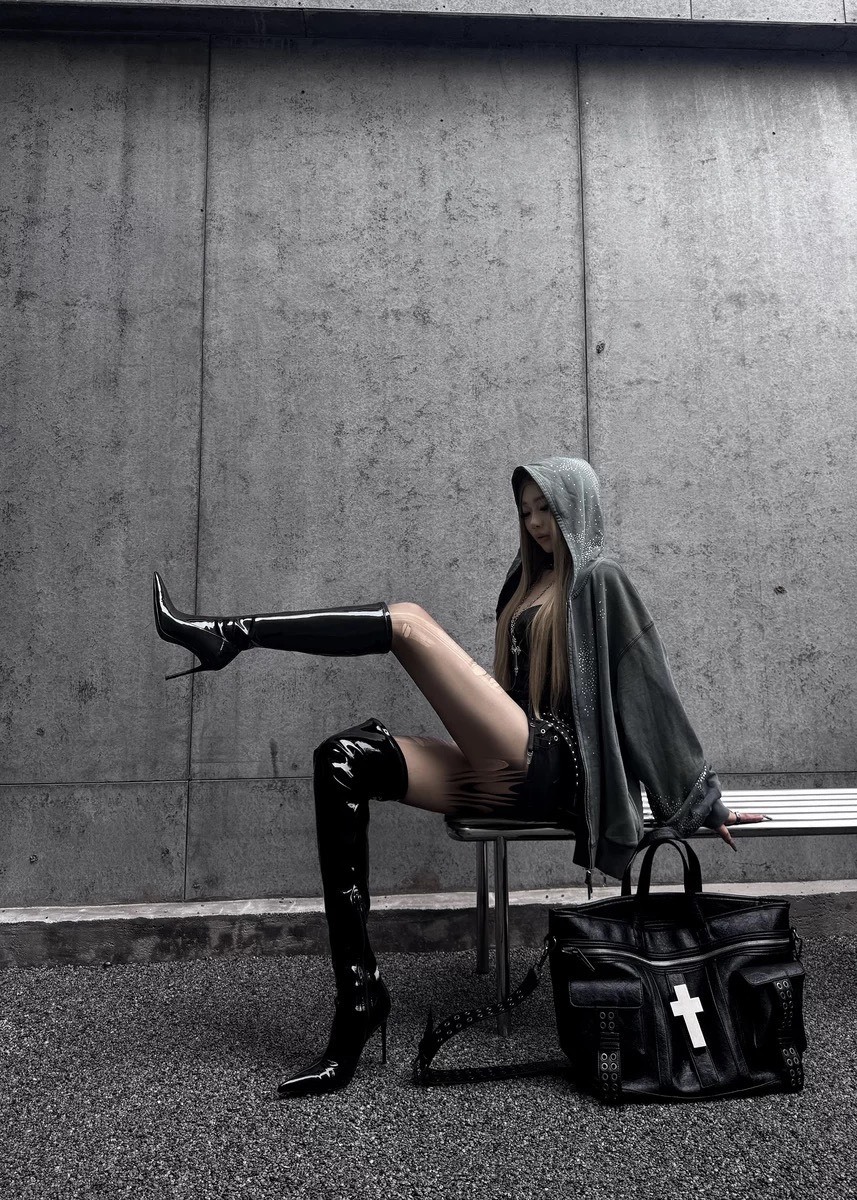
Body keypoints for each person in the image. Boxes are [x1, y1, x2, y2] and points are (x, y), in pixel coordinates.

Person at [153, 455, 766, 1099]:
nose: (536, 524)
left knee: (409, 622)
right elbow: (506, 695)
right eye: (526, 512)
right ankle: (359, 997)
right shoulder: (524, 584)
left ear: (577, 505)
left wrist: (704, 801)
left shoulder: (601, 579)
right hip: (514, 765)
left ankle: (230, 635)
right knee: (342, 761)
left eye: (547, 509)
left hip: (559, 768)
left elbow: (649, 691)